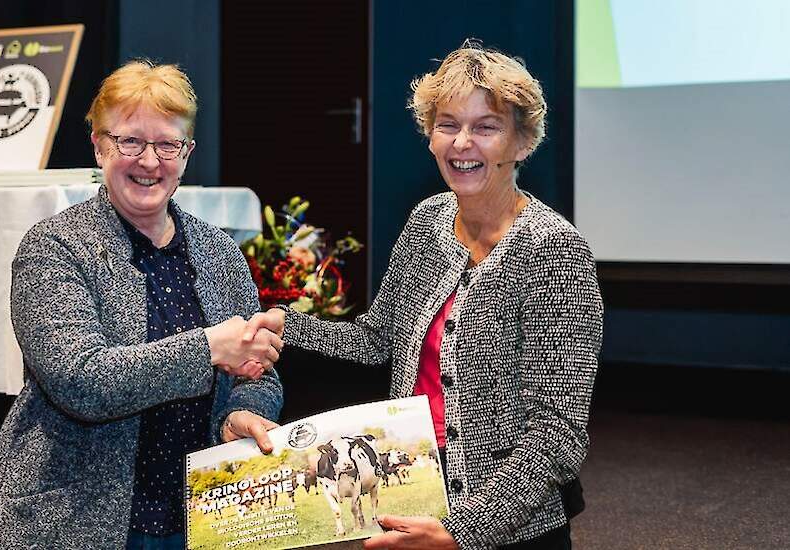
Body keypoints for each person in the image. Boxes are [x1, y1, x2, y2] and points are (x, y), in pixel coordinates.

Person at [247, 41, 603, 549]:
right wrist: (288, 323)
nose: (462, 143)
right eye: (448, 124)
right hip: (412, 497)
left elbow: (557, 434)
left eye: (486, 127)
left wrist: (463, 532)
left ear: (522, 143)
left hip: (509, 528)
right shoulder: (427, 223)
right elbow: (378, 340)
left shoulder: (554, 250)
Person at [0, 60, 284, 550]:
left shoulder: (220, 252)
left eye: (167, 144)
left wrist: (240, 412)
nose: (149, 160)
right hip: (73, 518)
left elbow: (256, 371)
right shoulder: (54, 247)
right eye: (130, 141)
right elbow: (81, 380)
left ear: (187, 153)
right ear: (99, 145)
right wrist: (207, 348)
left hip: (197, 517)